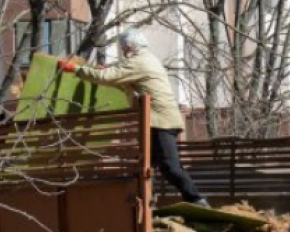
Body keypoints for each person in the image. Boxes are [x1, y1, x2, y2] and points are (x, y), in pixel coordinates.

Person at [59, 29, 209, 206]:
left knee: (169, 166)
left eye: (123, 48)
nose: (122, 52)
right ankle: (148, 204)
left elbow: (107, 78)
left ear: (128, 46)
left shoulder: (138, 62)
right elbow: (122, 81)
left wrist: (75, 69)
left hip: (160, 122)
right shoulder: (146, 59)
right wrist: (108, 71)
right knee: (146, 166)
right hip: (159, 120)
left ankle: (197, 200)